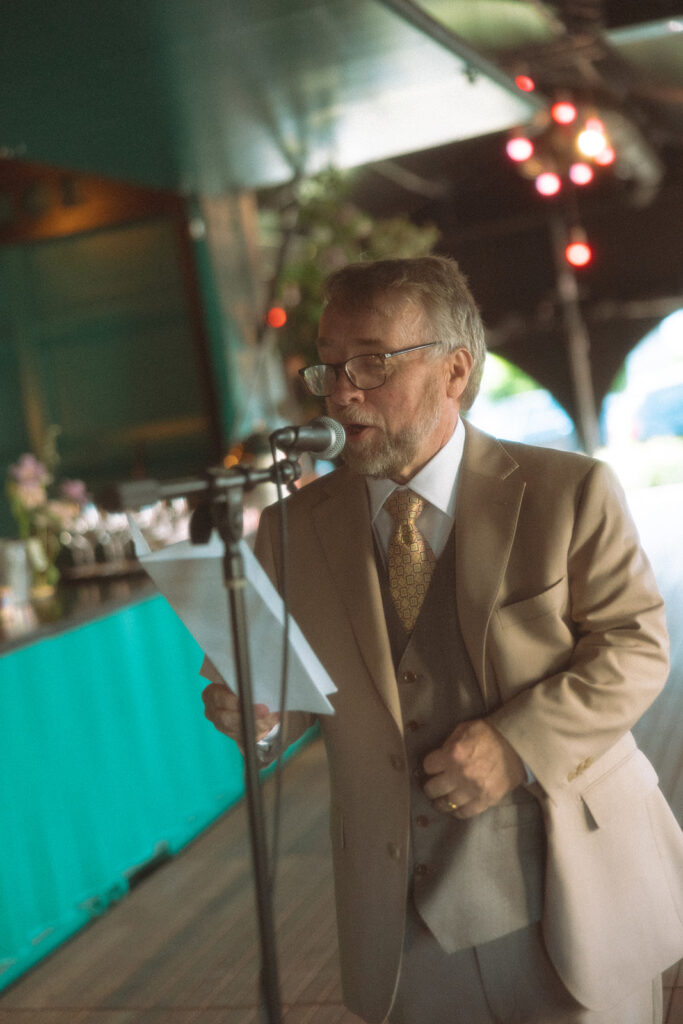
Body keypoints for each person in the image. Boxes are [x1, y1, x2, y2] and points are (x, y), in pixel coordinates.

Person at [201, 256, 683, 1024]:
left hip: (572, 896)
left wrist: (516, 742)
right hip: (401, 921)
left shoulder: (568, 491)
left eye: (370, 362)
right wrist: (256, 715)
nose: (344, 389)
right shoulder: (288, 529)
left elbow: (635, 649)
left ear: (454, 371)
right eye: (328, 366)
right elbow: (289, 703)